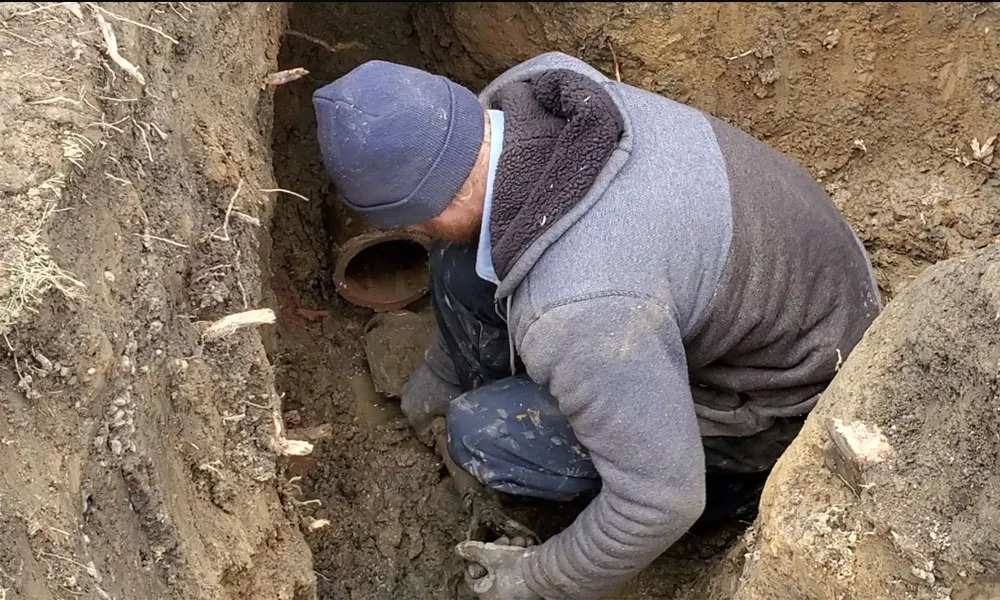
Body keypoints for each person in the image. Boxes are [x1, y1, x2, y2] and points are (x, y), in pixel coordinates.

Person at [311, 52, 882, 600]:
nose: (419, 232)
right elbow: (473, 242)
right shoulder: (537, 89)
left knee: (484, 433)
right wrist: (444, 367)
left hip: (792, 400)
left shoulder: (579, 306)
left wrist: (538, 579)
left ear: (436, 200)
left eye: (415, 222)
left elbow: (661, 501)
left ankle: (737, 494)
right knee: (459, 259)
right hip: (780, 279)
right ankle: (499, 377)